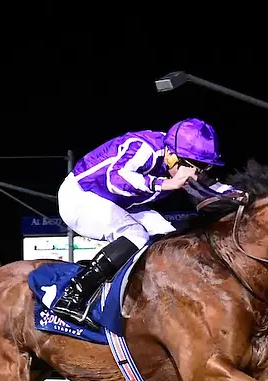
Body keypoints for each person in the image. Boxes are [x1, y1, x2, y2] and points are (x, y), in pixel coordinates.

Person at [50, 117, 249, 327]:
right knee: (136, 235)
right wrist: (164, 183)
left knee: (170, 239)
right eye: (194, 166)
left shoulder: (181, 160)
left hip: (119, 203)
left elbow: (210, 188)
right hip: (81, 196)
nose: (195, 173)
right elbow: (115, 178)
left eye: (203, 167)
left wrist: (245, 196)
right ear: (171, 155)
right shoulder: (143, 147)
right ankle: (73, 295)